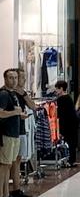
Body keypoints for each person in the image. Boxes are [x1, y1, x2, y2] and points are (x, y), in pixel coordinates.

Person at [0, 70, 27, 197]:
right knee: (4, 166)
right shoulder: (4, 94)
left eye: (16, 77)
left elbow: (11, 112)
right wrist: (15, 113)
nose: (14, 80)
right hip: (6, 135)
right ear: (5, 79)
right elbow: (0, 113)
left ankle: (5, 193)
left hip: (14, 134)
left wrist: (19, 115)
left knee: (9, 165)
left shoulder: (13, 94)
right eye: (11, 78)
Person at [11, 69, 36, 197]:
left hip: (20, 130)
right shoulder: (8, 93)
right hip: (12, 132)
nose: (23, 80)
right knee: (13, 161)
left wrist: (24, 94)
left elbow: (33, 106)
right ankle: (14, 189)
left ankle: (16, 188)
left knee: (18, 159)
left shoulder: (21, 94)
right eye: (21, 77)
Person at [55, 80, 78, 167]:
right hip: (72, 124)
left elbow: (61, 115)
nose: (56, 91)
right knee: (72, 143)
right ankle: (72, 160)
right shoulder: (68, 98)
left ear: (61, 88)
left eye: (57, 89)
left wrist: (61, 129)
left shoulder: (61, 99)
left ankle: (70, 160)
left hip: (68, 125)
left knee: (69, 142)